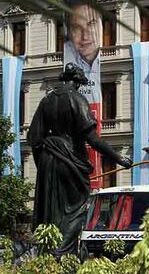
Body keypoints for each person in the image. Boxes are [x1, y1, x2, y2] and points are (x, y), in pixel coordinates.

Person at [27, 64, 132, 255]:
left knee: (52, 212)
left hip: (48, 159)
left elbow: (34, 138)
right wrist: (118, 158)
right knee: (79, 208)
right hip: (70, 160)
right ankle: (60, 253)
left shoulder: (47, 101)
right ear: (76, 81)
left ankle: (48, 254)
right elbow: (91, 138)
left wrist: (42, 164)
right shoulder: (77, 99)